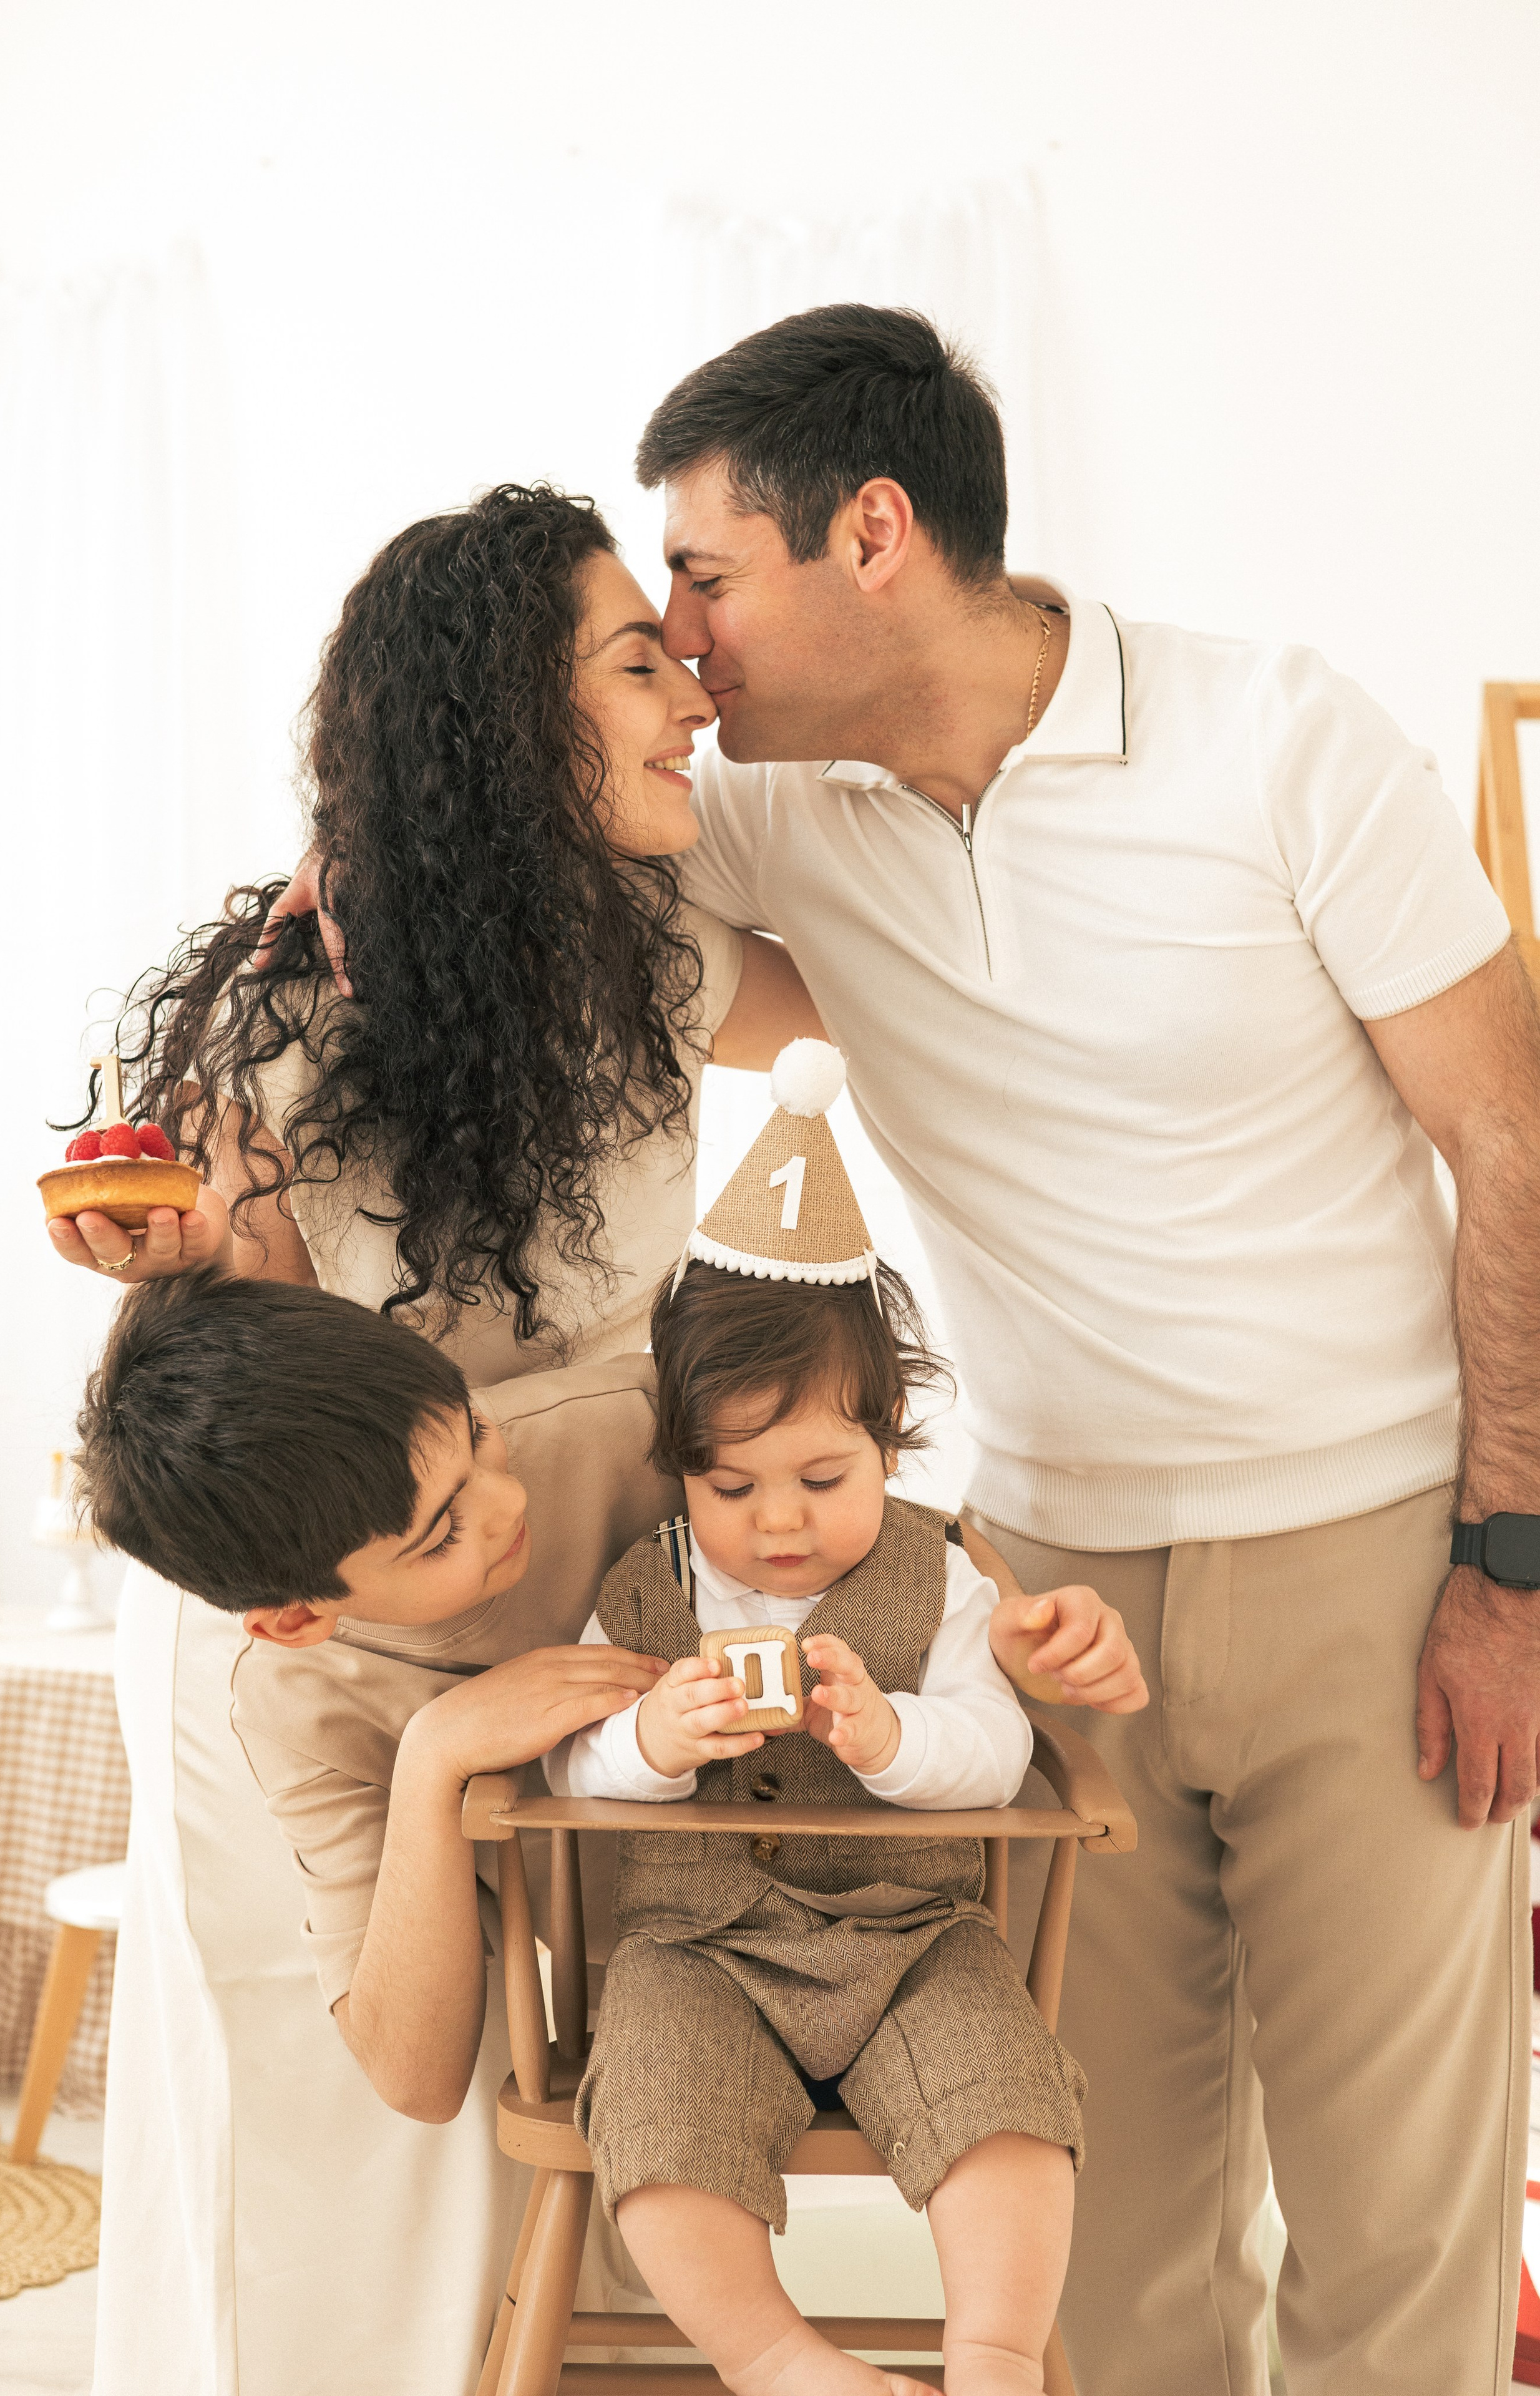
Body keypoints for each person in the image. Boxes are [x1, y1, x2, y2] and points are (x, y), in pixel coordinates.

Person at [271, 316, 1538, 2390]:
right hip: (1031, 1583)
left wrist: (1510, 1572)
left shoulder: (1281, 736)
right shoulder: (765, 813)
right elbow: (507, 813)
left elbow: (1516, 1135)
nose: (682, 648)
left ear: (871, 534)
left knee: (1396, 2240)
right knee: (1102, 2237)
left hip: (1376, 1562)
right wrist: (316, 886)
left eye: (703, 574)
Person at [47, 484, 832, 2396]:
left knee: (557, 2120)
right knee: (341, 2140)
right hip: (328, 1599)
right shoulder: (288, 1009)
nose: (693, 693)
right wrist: (148, 1239)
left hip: (541, 1581)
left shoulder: (663, 952)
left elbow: (893, 1007)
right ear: (499, 719)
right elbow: (225, 1360)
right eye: (636, 661)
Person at [550, 1043, 1144, 2396]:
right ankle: (783, 2365)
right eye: (731, 1486)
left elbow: (996, 1753)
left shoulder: (936, 1574)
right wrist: (649, 1742)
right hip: (698, 1947)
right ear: (679, 1474)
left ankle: (990, 2355)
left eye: (822, 1476)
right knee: (648, 2131)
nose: (776, 1521)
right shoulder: (650, 1585)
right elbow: (567, 1750)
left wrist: (892, 1744)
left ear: (887, 1441)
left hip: (911, 1935)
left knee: (1009, 2110)